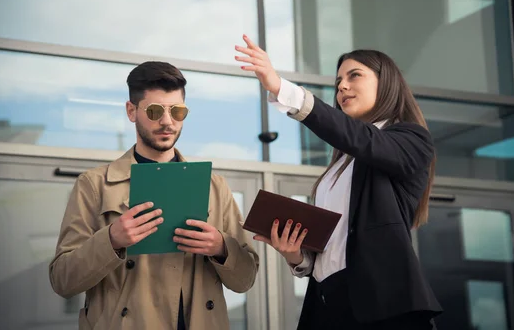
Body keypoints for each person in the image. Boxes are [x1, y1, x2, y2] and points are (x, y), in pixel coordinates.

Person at [235, 36, 442, 329]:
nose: (342, 86)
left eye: (354, 76)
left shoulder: (411, 140)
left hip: (383, 308)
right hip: (329, 305)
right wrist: (298, 256)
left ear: (387, 83)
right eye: (338, 82)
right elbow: (335, 249)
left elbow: (362, 139)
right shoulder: (340, 164)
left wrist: (283, 89)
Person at [49, 61, 259, 330]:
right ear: (131, 111)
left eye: (178, 111)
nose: (167, 121)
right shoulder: (94, 185)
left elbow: (245, 280)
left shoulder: (214, 187)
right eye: (155, 110)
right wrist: (111, 240)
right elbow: (62, 281)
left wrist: (220, 247)